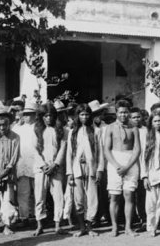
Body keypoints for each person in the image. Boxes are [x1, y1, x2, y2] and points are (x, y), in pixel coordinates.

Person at [66, 104, 105, 237]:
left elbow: (100, 152)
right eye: (82, 114)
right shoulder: (73, 132)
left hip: (91, 168)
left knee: (92, 197)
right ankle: (82, 227)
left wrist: (99, 169)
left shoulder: (96, 131)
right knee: (79, 198)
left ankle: (90, 226)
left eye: (87, 114)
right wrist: (70, 172)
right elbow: (69, 154)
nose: (84, 117)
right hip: (77, 168)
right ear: (78, 116)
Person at [104, 100, 141, 237]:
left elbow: (137, 149)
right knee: (114, 196)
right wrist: (116, 165)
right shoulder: (110, 128)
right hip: (115, 162)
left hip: (130, 162)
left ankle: (128, 227)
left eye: (126, 112)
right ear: (116, 113)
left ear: (129, 112)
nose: (123, 115)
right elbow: (106, 150)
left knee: (129, 195)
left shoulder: (134, 128)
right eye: (121, 112)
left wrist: (127, 166)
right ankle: (114, 227)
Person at [32, 102, 68, 236]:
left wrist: (55, 164)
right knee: (39, 197)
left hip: (56, 168)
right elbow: (35, 150)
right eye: (45, 116)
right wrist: (43, 165)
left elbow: (63, 149)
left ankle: (58, 224)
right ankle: (39, 224)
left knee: (58, 196)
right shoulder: (36, 130)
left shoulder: (61, 130)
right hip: (41, 168)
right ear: (41, 117)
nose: (48, 118)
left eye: (51, 115)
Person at [12, 101, 37, 226]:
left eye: (30, 114)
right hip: (22, 164)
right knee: (23, 193)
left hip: (36, 163)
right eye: (25, 114)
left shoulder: (39, 127)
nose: (27, 117)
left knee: (38, 192)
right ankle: (24, 217)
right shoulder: (17, 128)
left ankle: (39, 217)